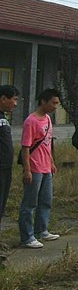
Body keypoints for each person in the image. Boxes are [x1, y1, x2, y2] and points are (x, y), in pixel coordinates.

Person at [18, 88, 61, 248]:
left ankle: (42, 229)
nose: (55, 106)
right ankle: (27, 236)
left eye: (57, 103)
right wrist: (27, 170)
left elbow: (47, 144)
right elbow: (25, 147)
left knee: (45, 200)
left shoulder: (48, 119)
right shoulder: (31, 121)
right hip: (34, 167)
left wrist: (51, 162)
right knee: (29, 203)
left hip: (46, 167)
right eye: (53, 103)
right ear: (43, 101)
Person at [0, 85, 20, 230]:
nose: (16, 103)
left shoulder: (3, 118)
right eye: (14, 99)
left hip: (6, 168)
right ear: (3, 99)